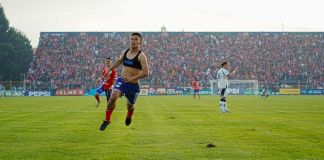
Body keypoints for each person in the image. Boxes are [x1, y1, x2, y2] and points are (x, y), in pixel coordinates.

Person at [99, 32, 149, 131]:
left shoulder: (141, 56)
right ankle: (107, 119)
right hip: (121, 81)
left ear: (140, 42)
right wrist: (109, 70)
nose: (133, 41)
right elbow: (118, 61)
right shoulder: (125, 52)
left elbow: (146, 72)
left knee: (130, 106)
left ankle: (129, 115)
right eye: (132, 39)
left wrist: (132, 78)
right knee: (113, 96)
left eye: (136, 39)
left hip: (133, 85)